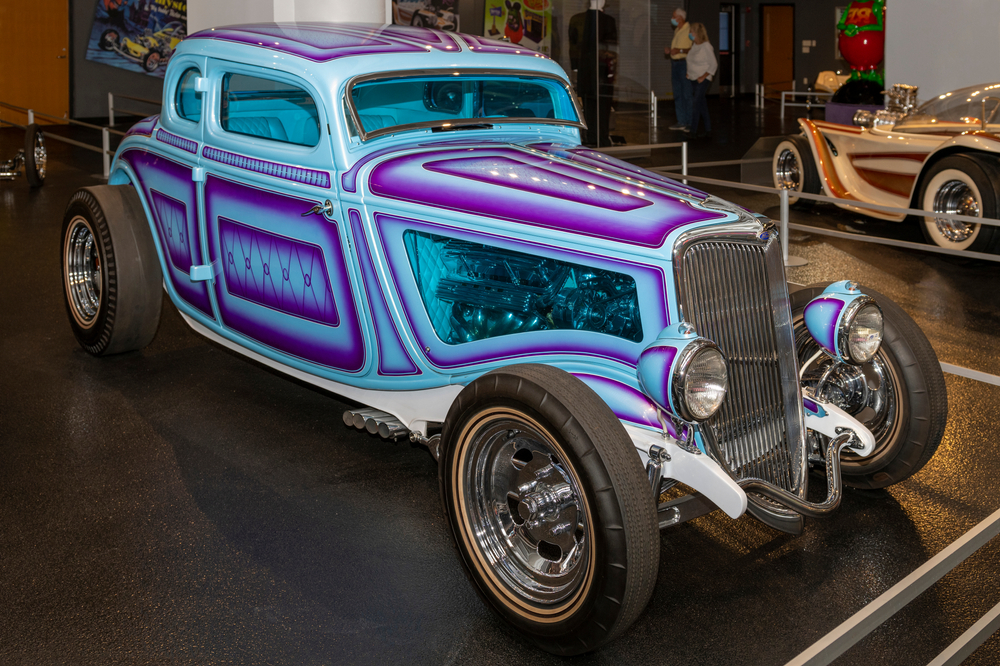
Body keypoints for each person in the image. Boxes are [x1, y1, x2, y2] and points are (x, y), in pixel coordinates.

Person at [685, 22, 717, 138]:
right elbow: (690, 60)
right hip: (693, 78)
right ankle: (708, 129)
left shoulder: (706, 46)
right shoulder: (694, 45)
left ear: (697, 33)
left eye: (691, 31)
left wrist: (704, 76)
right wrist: (689, 72)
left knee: (696, 103)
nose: (690, 34)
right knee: (701, 104)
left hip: (702, 79)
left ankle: (693, 130)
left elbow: (713, 64)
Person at [665, 8, 693, 131]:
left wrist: (679, 50)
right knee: (678, 93)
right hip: (675, 63)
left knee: (687, 93)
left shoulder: (689, 30)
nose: (672, 19)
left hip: (684, 64)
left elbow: (695, 48)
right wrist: (670, 51)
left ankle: (690, 122)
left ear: (680, 18)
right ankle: (681, 121)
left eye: (673, 16)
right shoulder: (677, 30)